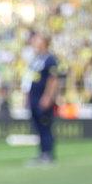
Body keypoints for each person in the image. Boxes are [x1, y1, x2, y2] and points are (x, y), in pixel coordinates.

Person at [25, 31, 61, 165]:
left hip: (43, 97)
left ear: (44, 42)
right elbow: (30, 79)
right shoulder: (35, 59)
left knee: (45, 125)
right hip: (33, 97)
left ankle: (48, 153)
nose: (34, 42)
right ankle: (42, 153)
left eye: (37, 40)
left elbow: (53, 80)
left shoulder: (50, 59)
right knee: (38, 127)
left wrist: (48, 97)